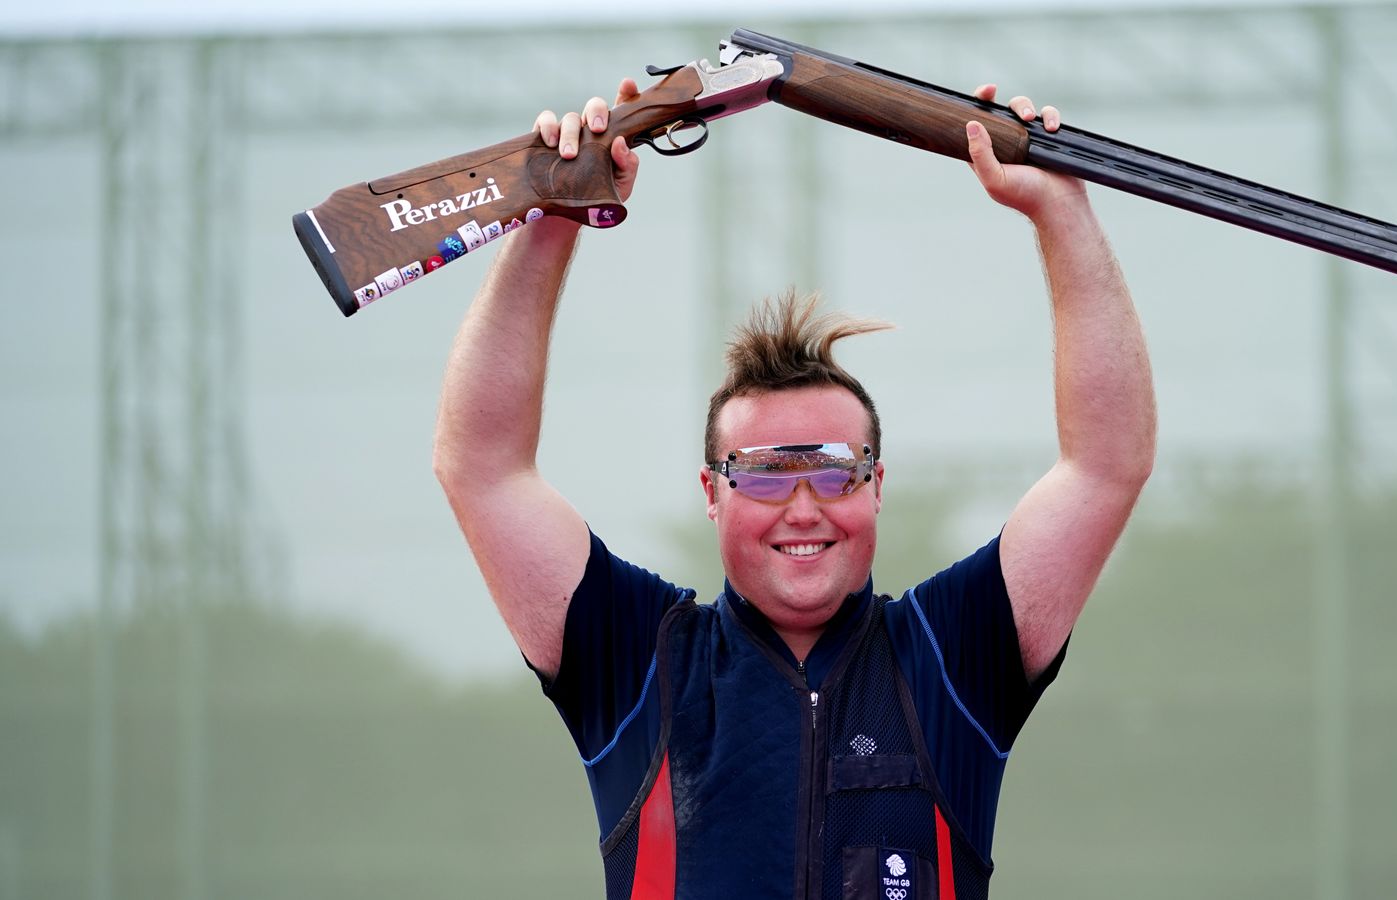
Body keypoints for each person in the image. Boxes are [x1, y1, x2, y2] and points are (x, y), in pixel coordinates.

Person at [433, 76, 1156, 900]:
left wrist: (1061, 210)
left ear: (876, 484)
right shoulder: (639, 658)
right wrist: (550, 219)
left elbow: (1106, 462)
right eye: (769, 473)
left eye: (834, 469)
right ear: (713, 492)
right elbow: (481, 469)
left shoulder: (952, 654)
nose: (804, 506)